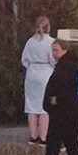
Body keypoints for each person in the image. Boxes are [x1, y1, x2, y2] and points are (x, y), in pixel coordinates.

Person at [43, 39, 78, 155]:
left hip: (64, 110)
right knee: (70, 140)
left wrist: (57, 100)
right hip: (70, 108)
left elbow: (65, 88)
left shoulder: (66, 67)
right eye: (52, 50)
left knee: (54, 141)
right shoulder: (68, 65)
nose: (53, 53)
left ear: (65, 50)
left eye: (56, 50)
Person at [22, 15, 55, 145]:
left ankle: (33, 136)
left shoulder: (30, 41)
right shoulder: (51, 42)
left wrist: (31, 67)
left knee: (31, 106)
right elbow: (53, 60)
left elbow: (24, 60)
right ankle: (43, 137)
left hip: (32, 73)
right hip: (45, 72)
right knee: (44, 107)